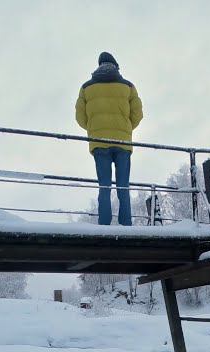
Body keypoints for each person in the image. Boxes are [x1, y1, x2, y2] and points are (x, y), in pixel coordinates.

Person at [75, 51, 143, 226]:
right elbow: (138, 114)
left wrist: (94, 130)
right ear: (116, 66)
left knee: (104, 186)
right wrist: (126, 129)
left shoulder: (86, 88)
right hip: (123, 143)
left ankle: (104, 224)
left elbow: (80, 117)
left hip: (99, 142)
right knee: (123, 186)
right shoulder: (128, 86)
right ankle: (126, 224)